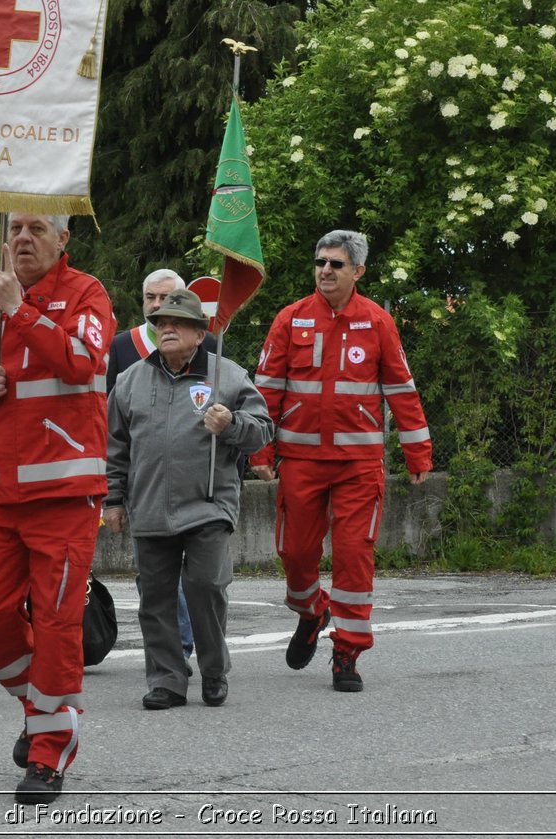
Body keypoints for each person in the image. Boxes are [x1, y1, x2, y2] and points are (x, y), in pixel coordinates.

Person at [0, 214, 114, 805]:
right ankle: (41, 709)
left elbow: (81, 361)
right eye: (15, 227)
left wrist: (19, 309)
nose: (22, 237)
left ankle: (49, 751)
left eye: (38, 228)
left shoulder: (85, 293)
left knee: (58, 623)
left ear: (63, 240)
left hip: (65, 494)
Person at [250, 230, 433, 692]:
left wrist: (417, 451)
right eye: (320, 262)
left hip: (358, 465)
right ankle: (311, 609)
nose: (325, 270)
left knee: (354, 557)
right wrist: (260, 449)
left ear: (358, 272)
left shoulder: (378, 323)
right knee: (295, 553)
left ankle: (347, 652)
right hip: (301, 461)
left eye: (336, 263)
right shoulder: (290, 320)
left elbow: (402, 391)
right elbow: (266, 391)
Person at [104, 288, 273, 710]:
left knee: (205, 587)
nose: (167, 329)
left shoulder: (228, 376)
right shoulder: (129, 381)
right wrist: (113, 499)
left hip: (209, 504)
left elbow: (263, 431)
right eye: (161, 323)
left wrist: (232, 423)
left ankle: (214, 671)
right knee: (155, 598)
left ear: (200, 334)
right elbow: (114, 445)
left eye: (177, 323)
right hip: (149, 505)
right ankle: (167, 679)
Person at [106, 268, 221, 658]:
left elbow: (235, 412)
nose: (158, 307)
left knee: (203, 580)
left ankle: (201, 653)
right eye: (151, 299)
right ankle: (173, 655)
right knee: (154, 581)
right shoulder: (122, 348)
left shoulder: (214, 352)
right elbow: (114, 428)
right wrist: (113, 494)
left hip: (201, 493)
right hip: (148, 490)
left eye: (166, 299)